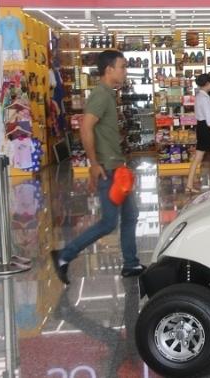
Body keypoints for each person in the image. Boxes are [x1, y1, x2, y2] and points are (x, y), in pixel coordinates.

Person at [51, 50, 143, 285]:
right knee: (109, 222)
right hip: (108, 169)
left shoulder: (109, 94)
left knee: (131, 215)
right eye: (122, 66)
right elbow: (86, 128)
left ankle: (131, 264)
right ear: (109, 69)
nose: (125, 70)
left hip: (116, 168)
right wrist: (93, 164)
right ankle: (64, 255)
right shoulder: (101, 95)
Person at [186, 74, 210, 192]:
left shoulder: (199, 96)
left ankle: (189, 185)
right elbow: (208, 119)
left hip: (201, 127)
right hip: (207, 129)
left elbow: (209, 116)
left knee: (200, 157)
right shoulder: (205, 98)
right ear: (207, 83)